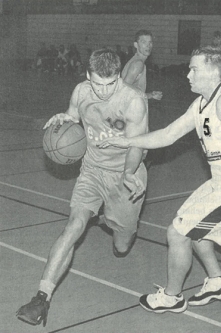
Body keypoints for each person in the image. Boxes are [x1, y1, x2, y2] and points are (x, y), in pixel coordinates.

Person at [98, 46, 221, 313]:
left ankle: (172, 297)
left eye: (194, 69)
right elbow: (168, 134)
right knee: (193, 228)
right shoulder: (201, 104)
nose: (188, 74)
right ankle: (216, 282)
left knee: (177, 233)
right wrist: (125, 141)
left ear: (213, 72)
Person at [16, 49, 148, 326]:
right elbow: (73, 115)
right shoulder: (81, 90)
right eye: (97, 83)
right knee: (74, 226)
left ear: (118, 76)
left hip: (125, 176)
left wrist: (128, 172)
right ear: (88, 75)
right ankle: (42, 297)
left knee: (122, 246)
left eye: (110, 84)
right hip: (91, 170)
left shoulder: (133, 100)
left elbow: (138, 145)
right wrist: (62, 119)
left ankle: (105, 218)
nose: (103, 91)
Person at [122, 29, 162, 101]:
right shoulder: (138, 64)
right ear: (136, 45)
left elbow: (133, 89)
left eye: (150, 42)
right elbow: (123, 91)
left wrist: (151, 94)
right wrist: (149, 95)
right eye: (144, 42)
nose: (148, 46)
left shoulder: (136, 61)